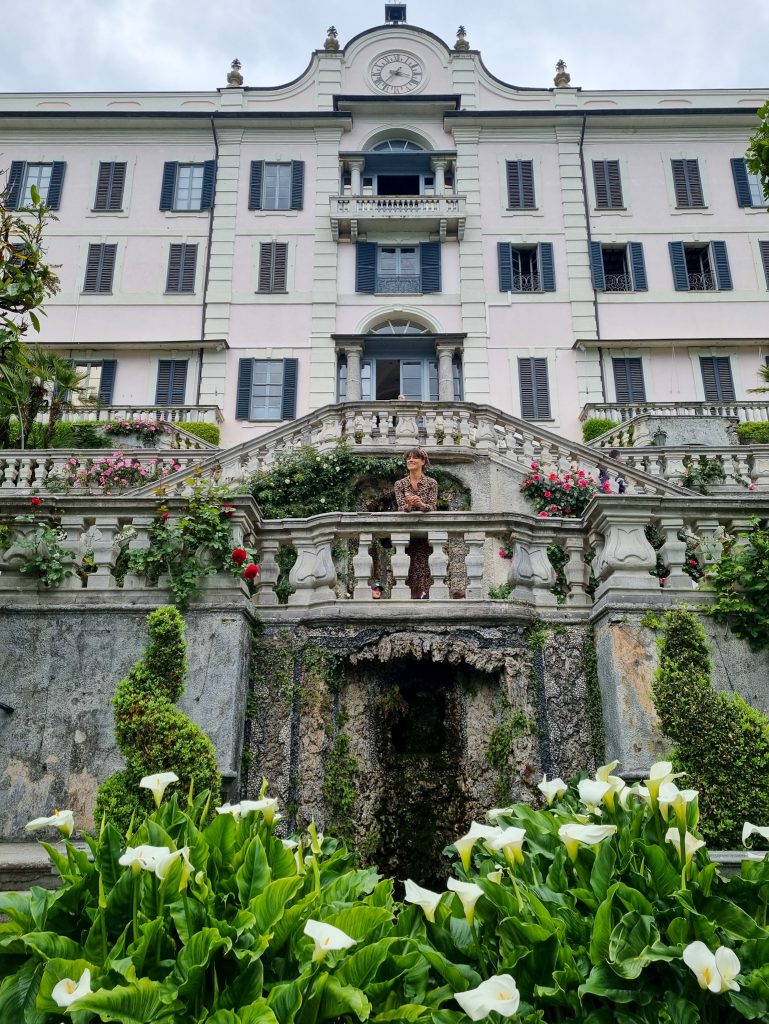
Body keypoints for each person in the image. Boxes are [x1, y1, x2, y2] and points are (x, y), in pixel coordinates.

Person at [394, 447, 438, 599]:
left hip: (425, 534)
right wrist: (409, 506)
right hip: (406, 534)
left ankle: (424, 598)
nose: (410, 460)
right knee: (406, 569)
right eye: (409, 458)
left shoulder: (431, 483)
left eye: (414, 458)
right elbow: (400, 508)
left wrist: (421, 505)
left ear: (423, 462)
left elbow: (432, 506)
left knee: (425, 567)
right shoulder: (400, 484)